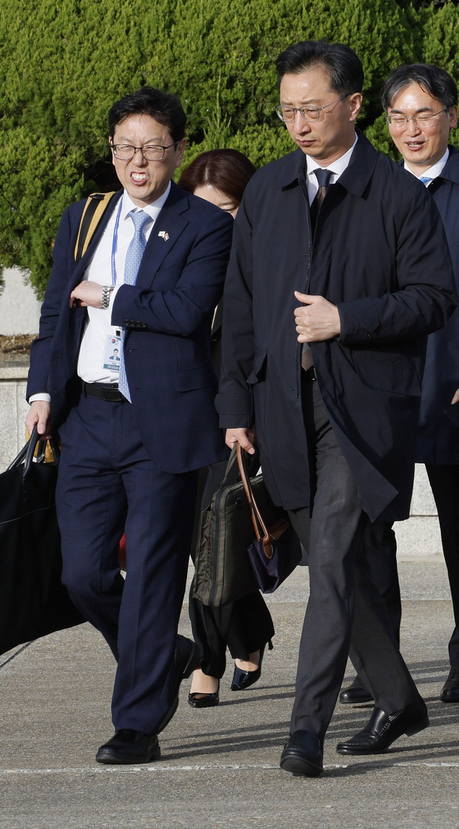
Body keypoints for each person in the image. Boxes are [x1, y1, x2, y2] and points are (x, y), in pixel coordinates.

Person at [216, 41, 456, 777]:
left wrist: (344, 319)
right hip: (284, 405)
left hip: (363, 412)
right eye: (287, 110)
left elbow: (434, 298)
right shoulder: (267, 192)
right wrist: (236, 403)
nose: (298, 123)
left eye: (312, 108)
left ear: (353, 106)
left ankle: (305, 729)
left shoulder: (397, 195)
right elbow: (243, 305)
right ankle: (398, 697)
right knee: (336, 563)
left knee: (327, 561)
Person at [25, 87, 233, 763]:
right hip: (87, 417)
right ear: (110, 150)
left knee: (151, 570)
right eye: (124, 147)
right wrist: (40, 392)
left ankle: (136, 722)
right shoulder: (84, 218)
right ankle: (163, 651)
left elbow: (186, 308)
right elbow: (57, 313)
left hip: (161, 422)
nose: (136, 160)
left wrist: (114, 297)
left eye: (151, 146)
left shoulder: (205, 225)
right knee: (83, 572)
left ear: (176, 149)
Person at [338, 63, 459, 709]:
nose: (411, 129)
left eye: (424, 114)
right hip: (377, 392)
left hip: (454, 391)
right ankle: (379, 664)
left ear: (452, 116)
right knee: (371, 531)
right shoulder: (365, 192)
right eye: (398, 116)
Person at [175, 149, 275, 708]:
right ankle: (251, 629)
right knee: (202, 546)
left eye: (227, 208)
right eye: (202, 208)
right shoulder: (178, 258)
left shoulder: (266, 260)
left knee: (216, 541)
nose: (215, 220)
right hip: (187, 419)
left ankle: (207, 662)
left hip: (243, 420)